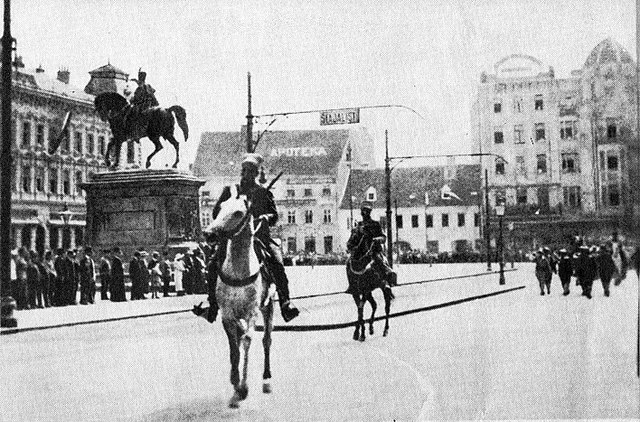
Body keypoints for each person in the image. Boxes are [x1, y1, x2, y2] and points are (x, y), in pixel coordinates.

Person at [207, 153, 300, 323]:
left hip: (258, 237)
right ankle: (212, 305)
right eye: (243, 170)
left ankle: (285, 303)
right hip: (233, 237)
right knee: (212, 264)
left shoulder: (262, 192)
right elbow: (216, 213)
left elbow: (275, 216)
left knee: (277, 263)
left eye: (250, 171)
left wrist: (265, 217)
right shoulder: (230, 191)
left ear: (256, 173)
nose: (245, 174)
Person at [346, 201, 397, 293]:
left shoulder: (375, 224)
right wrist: (351, 246)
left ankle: (388, 278)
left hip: (373, 251)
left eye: (367, 211)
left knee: (379, 260)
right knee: (348, 263)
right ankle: (352, 285)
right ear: (361, 213)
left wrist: (376, 239)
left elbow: (383, 237)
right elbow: (351, 241)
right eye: (363, 211)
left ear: (369, 212)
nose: (365, 214)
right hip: (360, 252)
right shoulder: (358, 226)